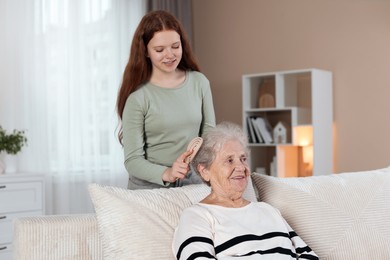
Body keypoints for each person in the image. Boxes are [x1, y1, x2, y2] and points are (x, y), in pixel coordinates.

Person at [172, 122, 318, 259]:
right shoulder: (197, 216)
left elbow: (308, 255)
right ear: (204, 171)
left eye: (243, 159)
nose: (241, 167)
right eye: (229, 160)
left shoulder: (268, 211)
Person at [116, 10, 216, 190]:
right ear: (145, 51)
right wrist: (168, 173)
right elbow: (132, 161)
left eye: (175, 46)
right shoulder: (138, 99)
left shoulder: (199, 82)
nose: (170, 55)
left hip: (192, 180)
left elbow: (209, 133)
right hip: (150, 187)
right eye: (159, 50)